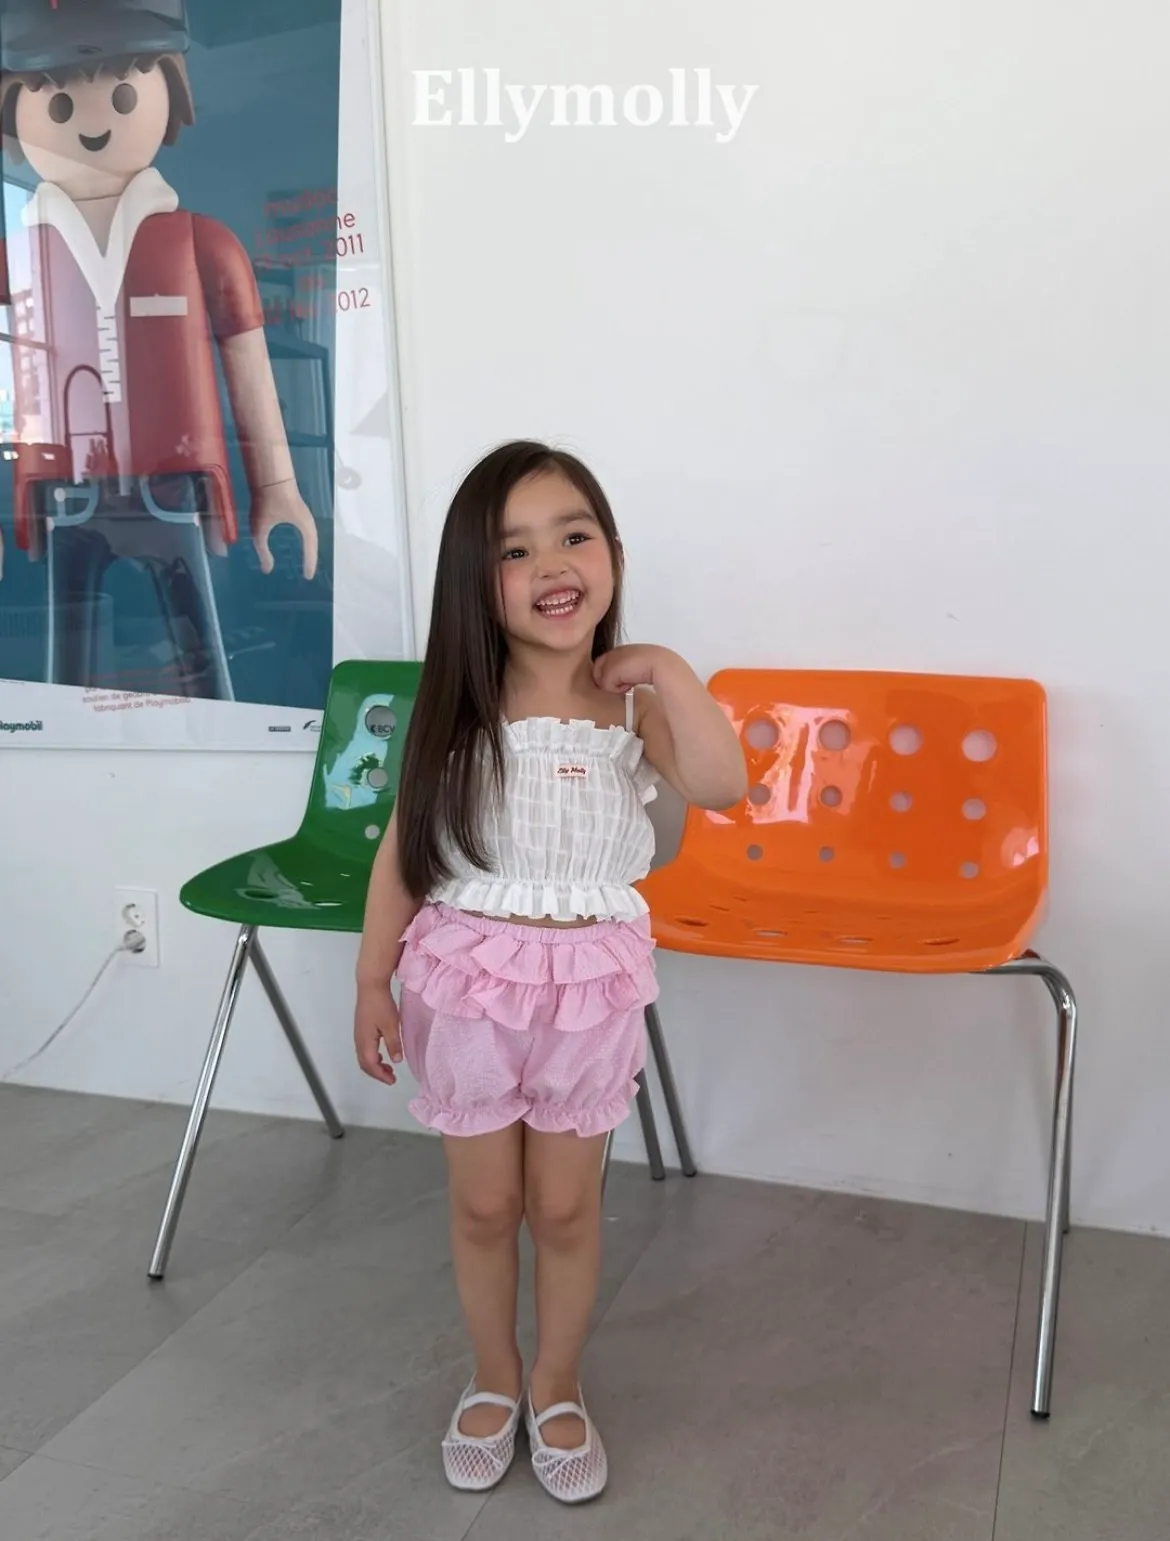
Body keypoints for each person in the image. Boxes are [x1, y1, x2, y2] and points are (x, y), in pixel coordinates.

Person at [354, 440, 747, 1503]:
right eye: (513, 549)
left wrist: (668, 669)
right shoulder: (459, 709)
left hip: (589, 994)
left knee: (566, 1209)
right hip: (466, 986)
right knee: (486, 1204)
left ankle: (558, 1384)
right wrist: (372, 980)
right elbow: (403, 854)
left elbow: (723, 784)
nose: (551, 563)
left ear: (612, 553)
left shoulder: (634, 711)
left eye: (573, 534)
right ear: (473, 582)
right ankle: (494, 1375)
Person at [0, 0, 318, 697]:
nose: (90, 123)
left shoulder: (202, 242)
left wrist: (277, 489)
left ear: (169, 93)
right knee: (64, 678)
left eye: (121, 96)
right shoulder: (19, 257)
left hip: (175, 495)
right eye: (59, 104)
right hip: (65, 497)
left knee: (206, 668)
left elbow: (249, 367)